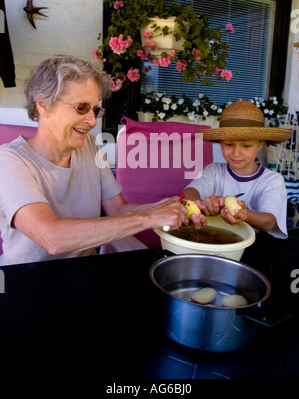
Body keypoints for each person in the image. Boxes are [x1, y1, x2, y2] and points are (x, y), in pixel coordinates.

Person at [0, 55, 189, 265]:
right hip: (26, 283)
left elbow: (117, 210)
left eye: (95, 109)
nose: (92, 120)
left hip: (84, 275)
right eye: (81, 107)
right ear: (44, 105)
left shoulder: (89, 145)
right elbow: (52, 237)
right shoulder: (9, 161)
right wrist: (149, 218)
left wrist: (169, 207)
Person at [184, 100, 293, 239]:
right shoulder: (214, 171)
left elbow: (269, 222)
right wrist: (201, 204)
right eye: (229, 144)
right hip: (213, 238)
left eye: (246, 146)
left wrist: (240, 212)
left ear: (260, 145)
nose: (236, 153)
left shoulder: (272, 180)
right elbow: (189, 192)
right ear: (220, 143)